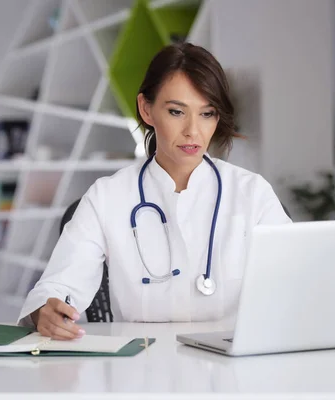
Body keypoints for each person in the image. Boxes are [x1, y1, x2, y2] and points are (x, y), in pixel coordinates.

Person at [18, 42, 292, 340]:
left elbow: (297, 280)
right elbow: (58, 287)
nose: (193, 131)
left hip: (232, 367)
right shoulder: (107, 197)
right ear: (146, 109)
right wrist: (45, 310)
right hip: (141, 366)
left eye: (207, 114)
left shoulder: (252, 193)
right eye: (177, 112)